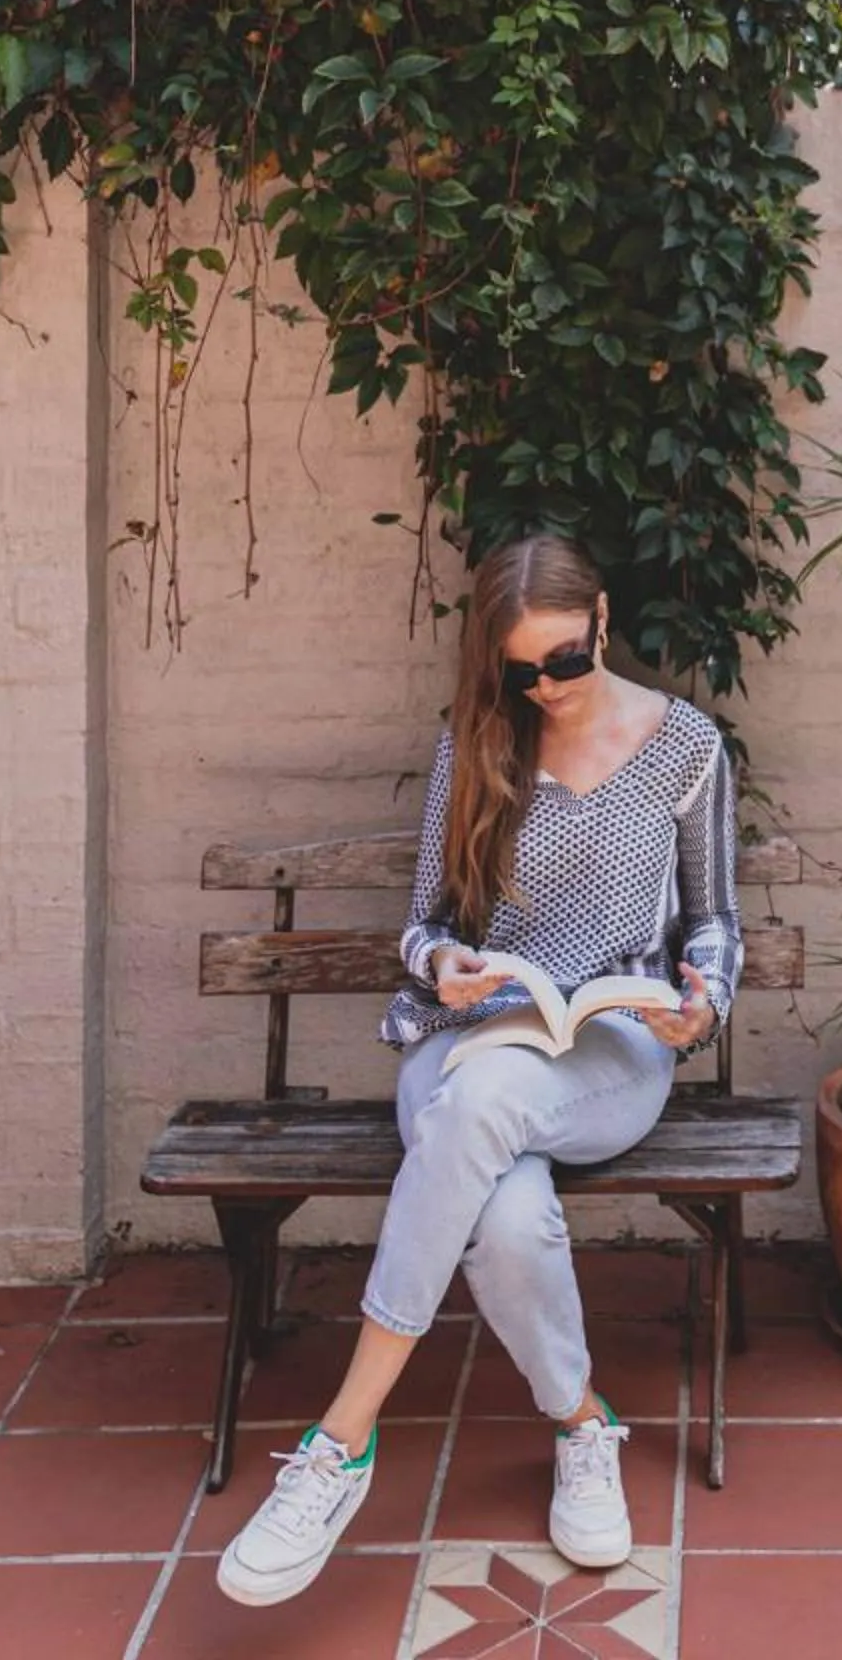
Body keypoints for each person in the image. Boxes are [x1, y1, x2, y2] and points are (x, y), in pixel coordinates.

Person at [216, 533, 739, 1607]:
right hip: (465, 1040)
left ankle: (340, 1438)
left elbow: (715, 919)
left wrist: (703, 999)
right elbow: (424, 926)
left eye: (565, 660)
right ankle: (581, 1423)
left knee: (487, 1103)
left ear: (602, 618)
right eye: (521, 669)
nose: (545, 687)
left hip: (609, 1051)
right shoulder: (477, 741)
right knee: (505, 1213)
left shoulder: (686, 745)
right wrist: (443, 965)